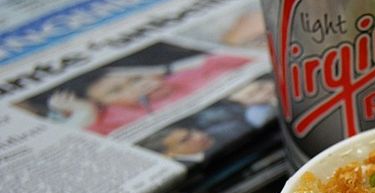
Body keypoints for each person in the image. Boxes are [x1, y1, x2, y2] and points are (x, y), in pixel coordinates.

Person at [47, 53, 251, 136]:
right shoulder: (112, 119)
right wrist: (85, 115)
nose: (138, 86)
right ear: (102, 104)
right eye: (116, 90)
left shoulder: (181, 79)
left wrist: (166, 69)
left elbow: (244, 58)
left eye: (135, 78)